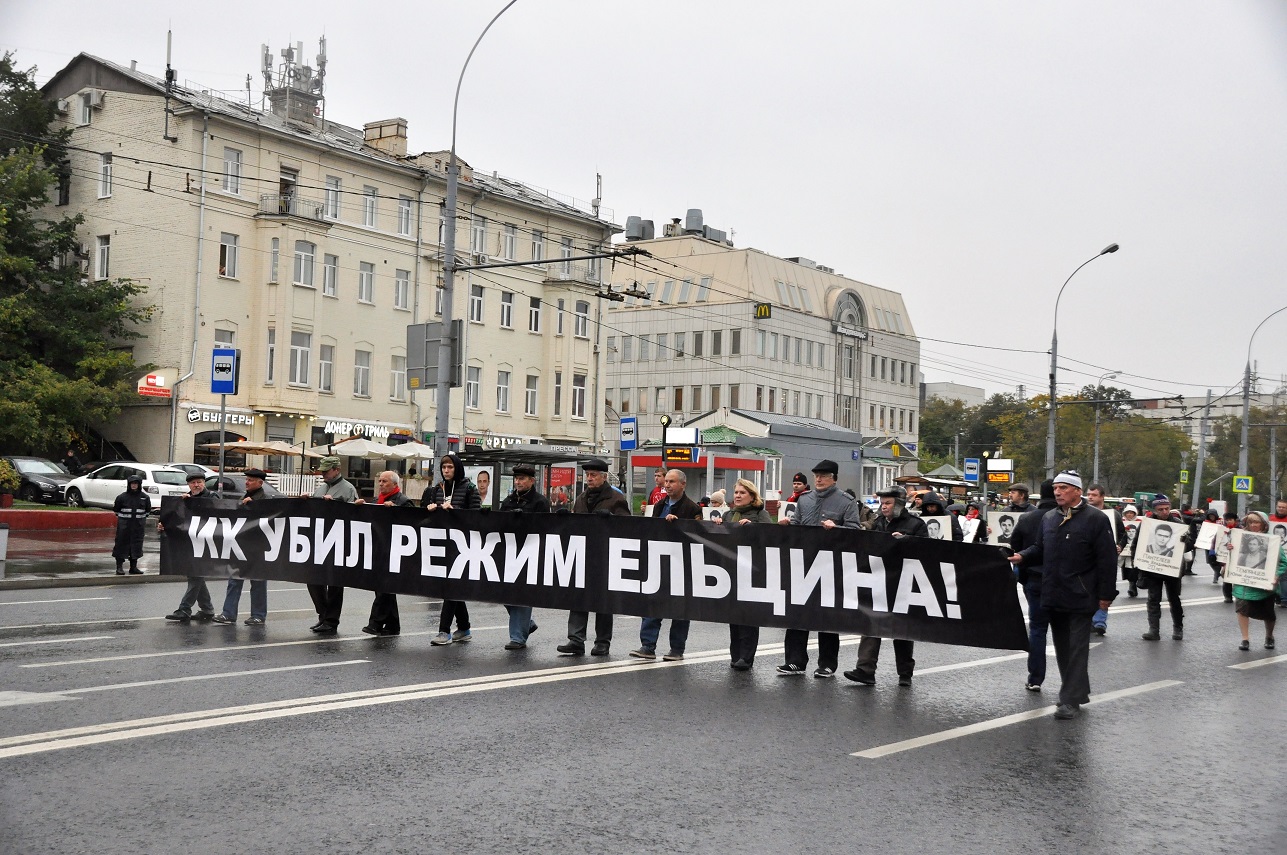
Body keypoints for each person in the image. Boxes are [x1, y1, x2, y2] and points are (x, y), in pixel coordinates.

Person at [1008, 470, 1117, 720]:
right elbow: (1040, 548)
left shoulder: (1096, 519)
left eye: (1064, 488)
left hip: (1082, 594)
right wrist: (1022, 556)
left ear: (1078, 491)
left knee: (1078, 647)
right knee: (1063, 648)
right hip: (1054, 592)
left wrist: (1106, 595)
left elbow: (1107, 559)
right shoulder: (1048, 517)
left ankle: (1068, 700)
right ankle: (1078, 691)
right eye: (1056, 488)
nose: (1057, 492)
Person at [778, 461, 864, 677]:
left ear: (834, 478)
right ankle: (795, 661)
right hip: (804, 564)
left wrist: (838, 529)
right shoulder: (804, 499)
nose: (818, 479)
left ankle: (827, 663)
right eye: (816, 475)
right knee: (797, 613)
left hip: (831, 567)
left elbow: (855, 531)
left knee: (827, 616)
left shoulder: (846, 501)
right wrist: (788, 524)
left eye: (824, 476)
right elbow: (798, 525)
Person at [842, 483, 926, 687]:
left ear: (899, 504)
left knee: (902, 629)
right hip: (879, 581)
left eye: (888, 503)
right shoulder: (878, 522)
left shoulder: (916, 525)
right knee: (871, 623)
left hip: (904, 582)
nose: (884, 506)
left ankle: (905, 673)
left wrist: (906, 541)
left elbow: (926, 550)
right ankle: (865, 669)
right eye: (882, 503)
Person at [559, 458, 629, 656]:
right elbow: (574, 524)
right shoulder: (581, 498)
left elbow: (628, 528)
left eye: (593, 475)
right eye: (587, 475)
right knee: (578, 597)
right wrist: (566, 519)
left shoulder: (616, 499)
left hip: (606, 557)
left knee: (602, 601)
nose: (589, 479)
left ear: (604, 477)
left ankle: (602, 642)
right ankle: (576, 640)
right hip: (582, 554)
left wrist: (612, 519)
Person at [633, 468, 703, 661]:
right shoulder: (659, 505)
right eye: (667, 482)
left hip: (682, 564)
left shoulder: (692, 508)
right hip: (659, 561)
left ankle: (677, 649)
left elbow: (698, 535)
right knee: (652, 603)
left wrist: (679, 525)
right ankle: (647, 646)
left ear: (683, 484)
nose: (667, 485)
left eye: (672, 482)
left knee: (680, 608)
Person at [715, 478, 773, 670]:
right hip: (730, 570)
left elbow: (770, 537)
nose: (738, 496)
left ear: (752, 496)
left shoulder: (760, 514)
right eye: (736, 492)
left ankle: (746, 657)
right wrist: (716, 526)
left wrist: (754, 528)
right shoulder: (728, 514)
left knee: (748, 616)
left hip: (751, 572)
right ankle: (736, 654)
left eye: (742, 493)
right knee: (734, 616)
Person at [425, 452, 481, 645]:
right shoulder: (436, 489)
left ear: (457, 468)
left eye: (450, 467)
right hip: (443, 543)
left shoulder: (469, 488)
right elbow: (426, 516)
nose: (446, 471)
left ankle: (444, 631)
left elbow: (476, 516)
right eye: (443, 467)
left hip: (463, 545)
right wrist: (431, 509)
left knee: (451, 587)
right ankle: (464, 627)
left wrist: (456, 512)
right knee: (452, 587)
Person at [1009, 479, 1057, 691]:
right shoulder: (1066, 517)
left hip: (1034, 578)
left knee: (1037, 629)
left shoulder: (1027, 518)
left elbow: (1015, 547)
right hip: (1062, 580)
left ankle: (1035, 678)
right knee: (1064, 630)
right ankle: (1069, 682)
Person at [498, 463, 549, 649]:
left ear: (531, 481)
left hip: (529, 554)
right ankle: (526, 624)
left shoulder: (540, 502)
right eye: (516, 479)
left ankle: (517, 638)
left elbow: (545, 529)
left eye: (522, 479)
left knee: (522, 594)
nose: (518, 482)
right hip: (509, 553)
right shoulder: (508, 501)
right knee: (501, 592)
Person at [306, 456, 358, 634]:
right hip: (319, 540)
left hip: (338, 541)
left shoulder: (348, 489)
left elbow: (355, 515)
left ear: (337, 469)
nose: (322, 474)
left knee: (335, 583)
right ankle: (323, 614)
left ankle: (331, 620)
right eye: (321, 471)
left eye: (326, 471)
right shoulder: (321, 488)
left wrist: (336, 505)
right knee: (313, 580)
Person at [212, 468, 271, 626]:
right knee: (234, 580)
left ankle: (258, 615)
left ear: (260, 482)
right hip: (241, 546)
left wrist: (254, 507)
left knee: (257, 582)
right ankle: (228, 613)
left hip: (258, 549)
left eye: (251, 480)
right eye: (247, 479)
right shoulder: (244, 497)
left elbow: (267, 522)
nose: (247, 482)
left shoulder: (264, 499)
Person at [360, 471, 413, 636]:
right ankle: (393, 625)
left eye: (384, 481)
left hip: (396, 551)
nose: (380, 484)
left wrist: (395, 510)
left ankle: (374, 623)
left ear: (394, 484)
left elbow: (412, 523)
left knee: (384, 586)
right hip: (380, 550)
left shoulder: (403, 501)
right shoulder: (377, 501)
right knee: (383, 587)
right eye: (380, 481)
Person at [163, 472, 217, 622]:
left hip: (207, 543)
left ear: (204, 483)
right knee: (195, 575)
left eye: (199, 482)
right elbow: (176, 518)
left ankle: (184, 609)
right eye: (193, 483)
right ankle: (207, 609)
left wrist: (191, 502)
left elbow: (216, 513)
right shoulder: (185, 499)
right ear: (188, 485)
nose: (196, 485)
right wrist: (165, 523)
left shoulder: (212, 497)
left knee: (195, 575)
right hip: (191, 543)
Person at [1234, 512, 1284, 650]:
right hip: (1243, 583)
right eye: (1251, 522)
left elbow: (1283, 562)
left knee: (1268, 613)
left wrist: (1275, 575)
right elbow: (1232, 559)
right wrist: (1230, 550)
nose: (1253, 525)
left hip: (1264, 586)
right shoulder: (1240, 538)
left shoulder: (1272, 541)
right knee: (1241, 609)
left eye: (1257, 522)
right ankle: (1245, 639)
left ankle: (1269, 636)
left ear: (1264, 524)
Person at [1139, 493, 1186, 641]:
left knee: (1174, 599)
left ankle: (1178, 628)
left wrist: (1186, 540)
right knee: (1153, 599)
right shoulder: (1147, 524)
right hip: (1152, 569)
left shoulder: (1178, 523)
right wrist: (1139, 564)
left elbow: (1191, 545)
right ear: (1154, 510)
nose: (1164, 512)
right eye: (1161, 509)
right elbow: (1137, 544)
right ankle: (1154, 630)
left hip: (1172, 569)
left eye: (1166, 509)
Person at [1086, 483, 1128, 635]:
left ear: (1102, 497)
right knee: (1089, 588)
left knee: (1105, 588)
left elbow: (1123, 535)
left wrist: (1120, 546)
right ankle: (1091, 619)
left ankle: (1100, 622)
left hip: (1107, 558)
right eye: (1089, 495)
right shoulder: (1083, 512)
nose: (1090, 497)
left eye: (1094, 495)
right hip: (1088, 558)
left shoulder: (1113, 515)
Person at [111, 474, 150, 575]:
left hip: (138, 527)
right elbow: (116, 510)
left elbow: (147, 511)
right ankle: (119, 568)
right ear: (129, 484)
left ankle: (133, 567)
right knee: (120, 545)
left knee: (136, 546)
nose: (134, 485)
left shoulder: (145, 497)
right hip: (124, 527)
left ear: (139, 485)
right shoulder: (121, 497)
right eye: (132, 483)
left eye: (136, 484)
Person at [1120, 506, 1141, 597]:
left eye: (1131, 513)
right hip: (1124, 551)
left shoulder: (1140, 523)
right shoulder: (1120, 523)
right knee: (1127, 569)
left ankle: (1133, 585)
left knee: (1134, 568)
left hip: (1135, 550)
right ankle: (1131, 584)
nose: (1129, 514)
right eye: (1128, 512)